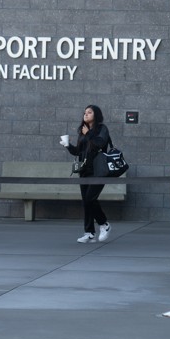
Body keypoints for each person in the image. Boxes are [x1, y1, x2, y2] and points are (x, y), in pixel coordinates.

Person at [64, 104, 113, 243]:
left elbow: (100, 143)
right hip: (84, 171)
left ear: (96, 115)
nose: (86, 114)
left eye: (89, 112)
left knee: (91, 198)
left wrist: (88, 133)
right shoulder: (83, 131)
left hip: (98, 171)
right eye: (85, 112)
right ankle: (89, 233)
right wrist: (68, 145)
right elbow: (78, 152)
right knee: (86, 201)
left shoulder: (102, 129)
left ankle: (104, 224)